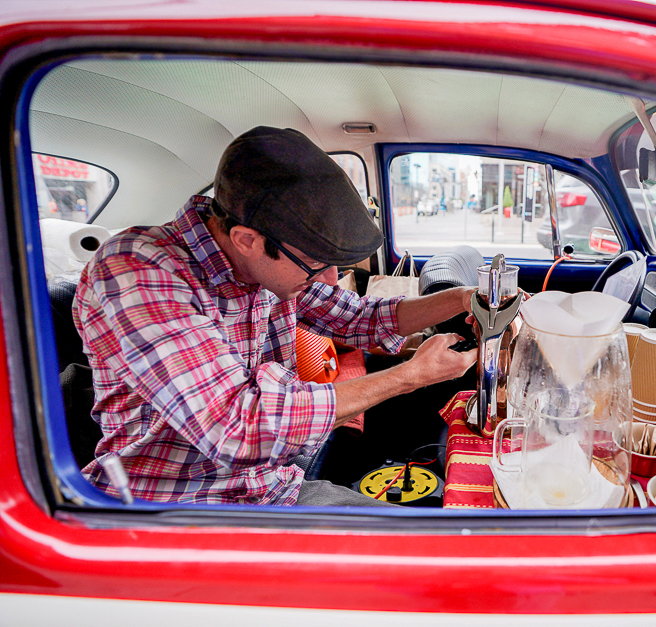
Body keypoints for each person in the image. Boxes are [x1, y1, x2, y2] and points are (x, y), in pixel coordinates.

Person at [74, 126, 477, 507]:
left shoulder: (268, 267)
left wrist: (462, 300)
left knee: (436, 527)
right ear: (247, 240)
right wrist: (410, 376)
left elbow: (360, 319)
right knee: (424, 552)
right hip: (182, 507)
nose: (332, 280)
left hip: (269, 482)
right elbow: (235, 427)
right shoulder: (138, 272)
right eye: (316, 264)